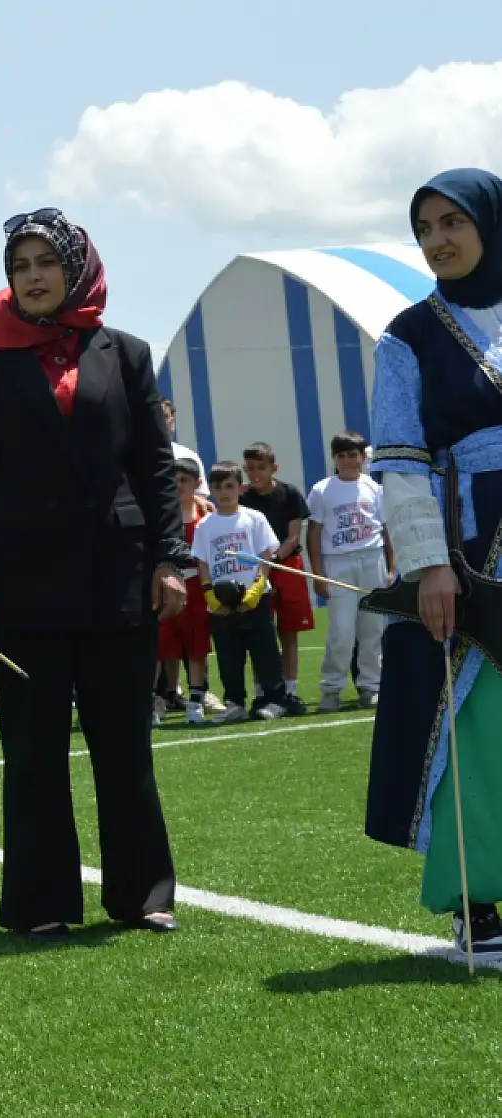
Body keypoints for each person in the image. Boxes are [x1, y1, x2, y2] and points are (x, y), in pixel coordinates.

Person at [0, 206, 185, 941]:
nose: (32, 277)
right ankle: (42, 904)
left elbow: (152, 466)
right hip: (22, 585)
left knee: (125, 746)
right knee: (34, 752)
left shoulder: (129, 353)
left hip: (120, 575)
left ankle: (142, 895)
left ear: (76, 267)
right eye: (19, 267)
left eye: (45, 262)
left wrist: (172, 559)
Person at [366, 168, 502, 955]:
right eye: (425, 228)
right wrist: (430, 566)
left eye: (454, 221)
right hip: (471, 548)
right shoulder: (408, 336)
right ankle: (476, 901)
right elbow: (403, 461)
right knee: (476, 730)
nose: (439, 240)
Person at [191, 462, 301, 722]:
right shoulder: (205, 525)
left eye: (229, 486)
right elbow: (203, 562)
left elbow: (266, 556)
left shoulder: (254, 518)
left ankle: (276, 699)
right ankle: (235, 703)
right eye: (217, 487)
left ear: (240, 488)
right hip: (221, 600)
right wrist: (209, 593)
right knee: (229, 655)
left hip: (255, 598)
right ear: (211, 491)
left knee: (264, 651)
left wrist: (257, 588)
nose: (224, 492)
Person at [306, 431, 392, 711]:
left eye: (352, 455)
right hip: (338, 563)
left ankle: (371, 686)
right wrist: (318, 573)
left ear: (361, 457)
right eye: (341, 455)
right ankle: (331, 688)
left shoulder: (374, 488)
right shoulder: (322, 490)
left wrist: (392, 568)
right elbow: (314, 534)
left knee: (372, 629)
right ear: (334, 458)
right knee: (341, 630)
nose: (347, 460)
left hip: (371, 559)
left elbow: (387, 529)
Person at [240, 441, 314, 707]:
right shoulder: (243, 499)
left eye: (261, 468)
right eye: (250, 468)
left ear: (274, 467)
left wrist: (275, 558)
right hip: (256, 570)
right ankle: (262, 691)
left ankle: (290, 689)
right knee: (259, 632)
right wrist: (262, 564)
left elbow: (294, 536)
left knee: (289, 630)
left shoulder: (290, 493)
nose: (256, 473)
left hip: (286, 565)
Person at [155, 461, 212, 724]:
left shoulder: (205, 519)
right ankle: (162, 697)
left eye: (184, 480)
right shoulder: (162, 517)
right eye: (174, 480)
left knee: (197, 646)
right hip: (169, 586)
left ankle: (197, 697)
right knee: (165, 646)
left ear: (196, 484)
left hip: (197, 587)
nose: (179, 486)